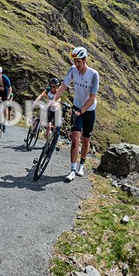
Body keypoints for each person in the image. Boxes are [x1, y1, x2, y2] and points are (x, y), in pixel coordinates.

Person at [51, 46, 99, 182]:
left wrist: (81, 111)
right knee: (75, 139)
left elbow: (92, 98)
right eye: (74, 61)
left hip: (88, 110)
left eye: (78, 61)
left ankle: (81, 165)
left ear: (85, 60)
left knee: (86, 139)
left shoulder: (94, 74)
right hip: (77, 107)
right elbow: (63, 86)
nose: (76, 65)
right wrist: (53, 100)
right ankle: (72, 170)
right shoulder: (72, 70)